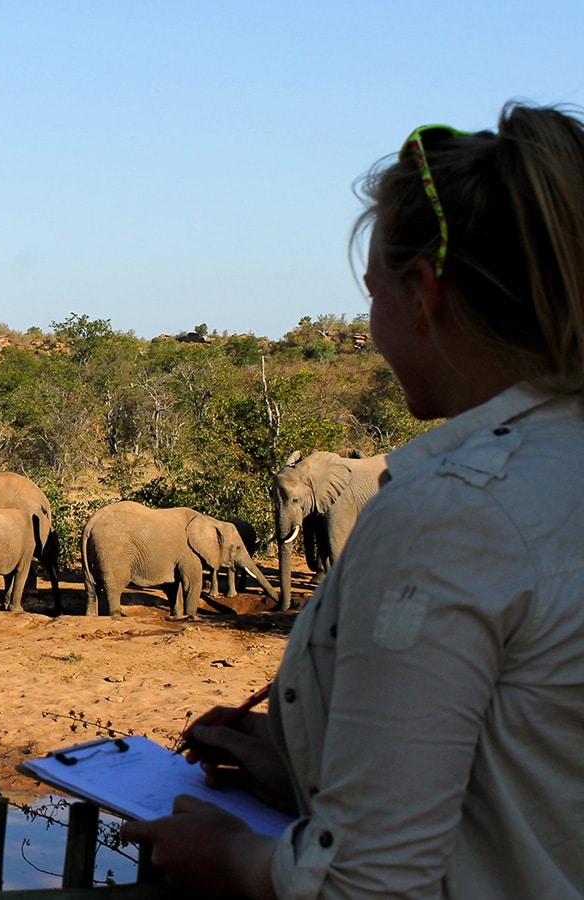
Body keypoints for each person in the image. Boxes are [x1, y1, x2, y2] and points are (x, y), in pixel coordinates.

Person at [122, 102, 584, 898]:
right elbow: (529, 765)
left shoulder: (448, 514)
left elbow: (373, 882)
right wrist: (299, 758)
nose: (371, 322)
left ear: (424, 294)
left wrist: (230, 856)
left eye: (375, 292)